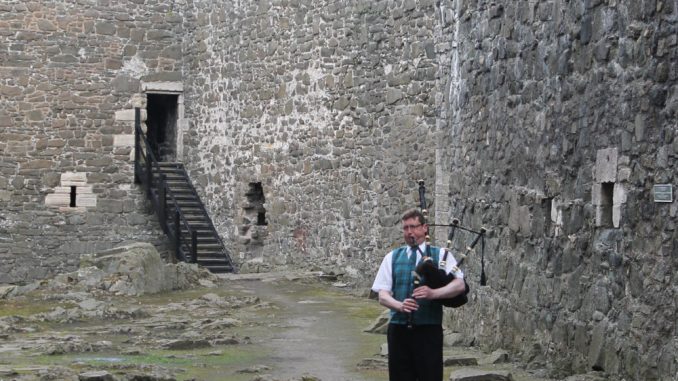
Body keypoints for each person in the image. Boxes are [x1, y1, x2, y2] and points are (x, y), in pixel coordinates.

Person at [371, 208, 466, 381]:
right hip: (398, 330)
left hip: (428, 329)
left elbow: (459, 285)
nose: (409, 232)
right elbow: (382, 295)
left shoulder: (441, 254)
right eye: (406, 228)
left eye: (413, 227)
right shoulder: (392, 257)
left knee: (430, 376)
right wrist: (399, 305)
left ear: (425, 228)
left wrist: (434, 293)